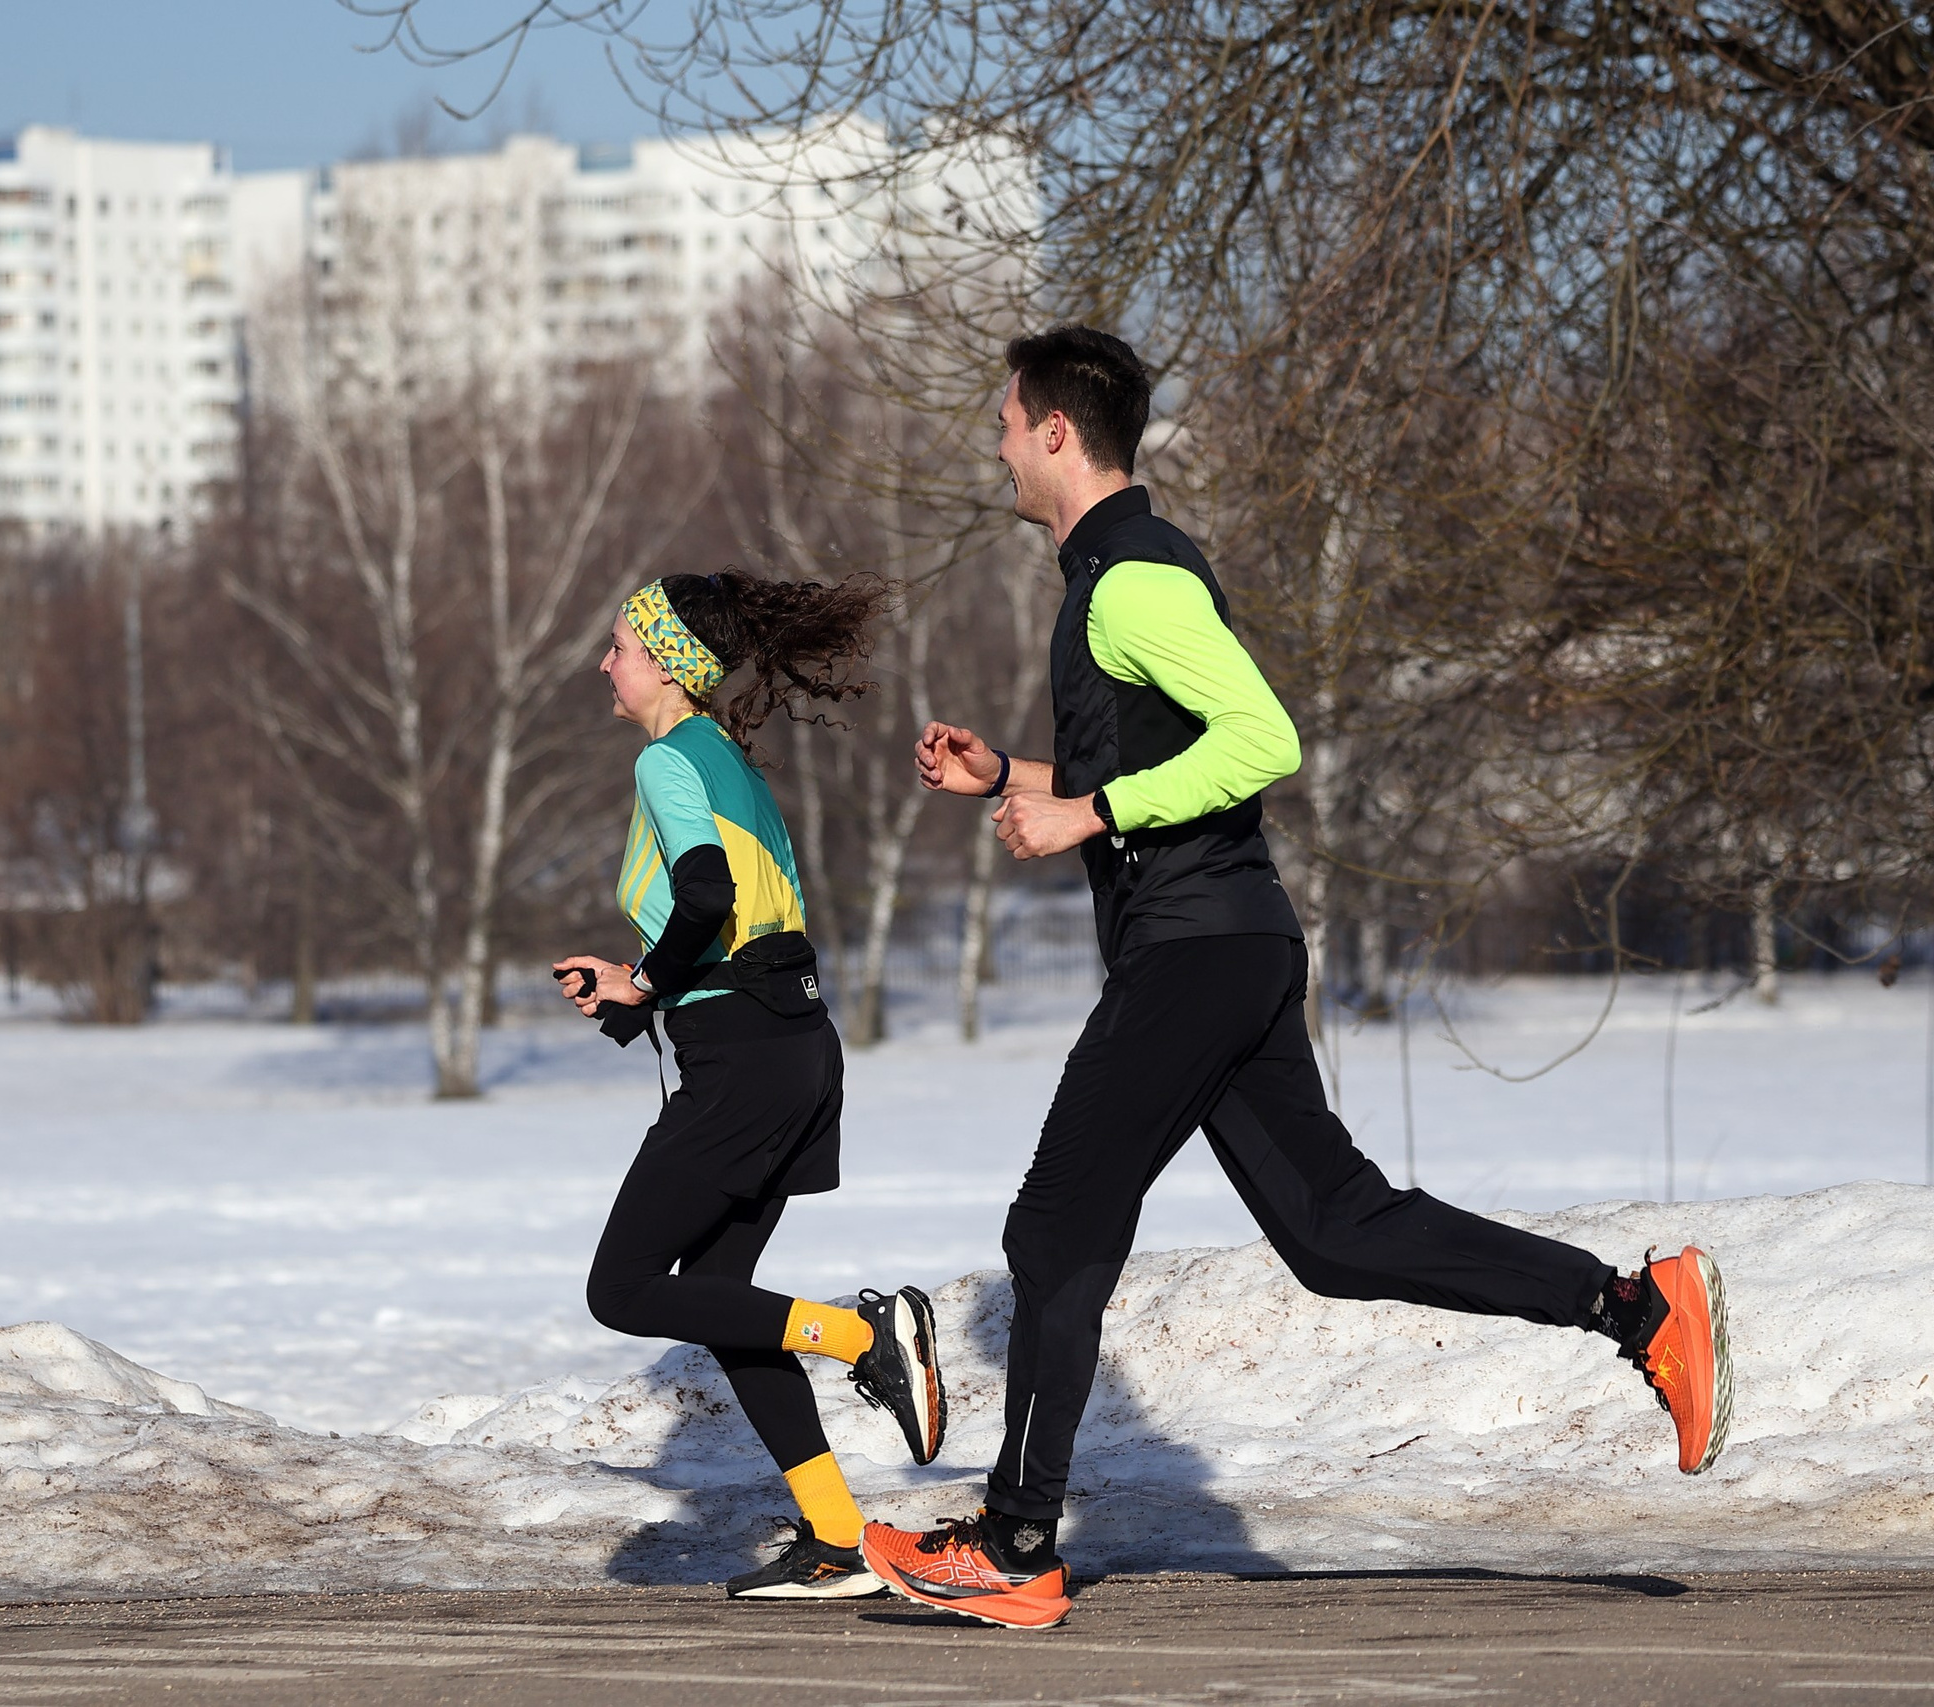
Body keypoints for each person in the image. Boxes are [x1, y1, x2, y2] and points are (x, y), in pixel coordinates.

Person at [860, 325, 1734, 1630]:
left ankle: (1018, 1541)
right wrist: (1011, 781)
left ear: (1056, 431)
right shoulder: (1110, 577)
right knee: (1335, 1231)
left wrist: (1088, 817)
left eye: (1004, 419)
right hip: (1228, 944)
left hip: (1198, 950)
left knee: (1054, 1226)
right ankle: (1632, 1302)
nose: (993, 440)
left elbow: (1264, 738)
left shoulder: (1131, 582)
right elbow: (1165, 769)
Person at [554, 570, 948, 1601]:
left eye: (619, 647)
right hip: (789, 1043)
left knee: (625, 1288)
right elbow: (741, 925)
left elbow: (705, 892)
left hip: (745, 1059)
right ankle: (835, 1536)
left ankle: (866, 1336)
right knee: (724, 1306)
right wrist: (639, 990)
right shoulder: (722, 758)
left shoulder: (667, 761)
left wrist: (644, 979)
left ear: (666, 664)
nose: (605, 663)